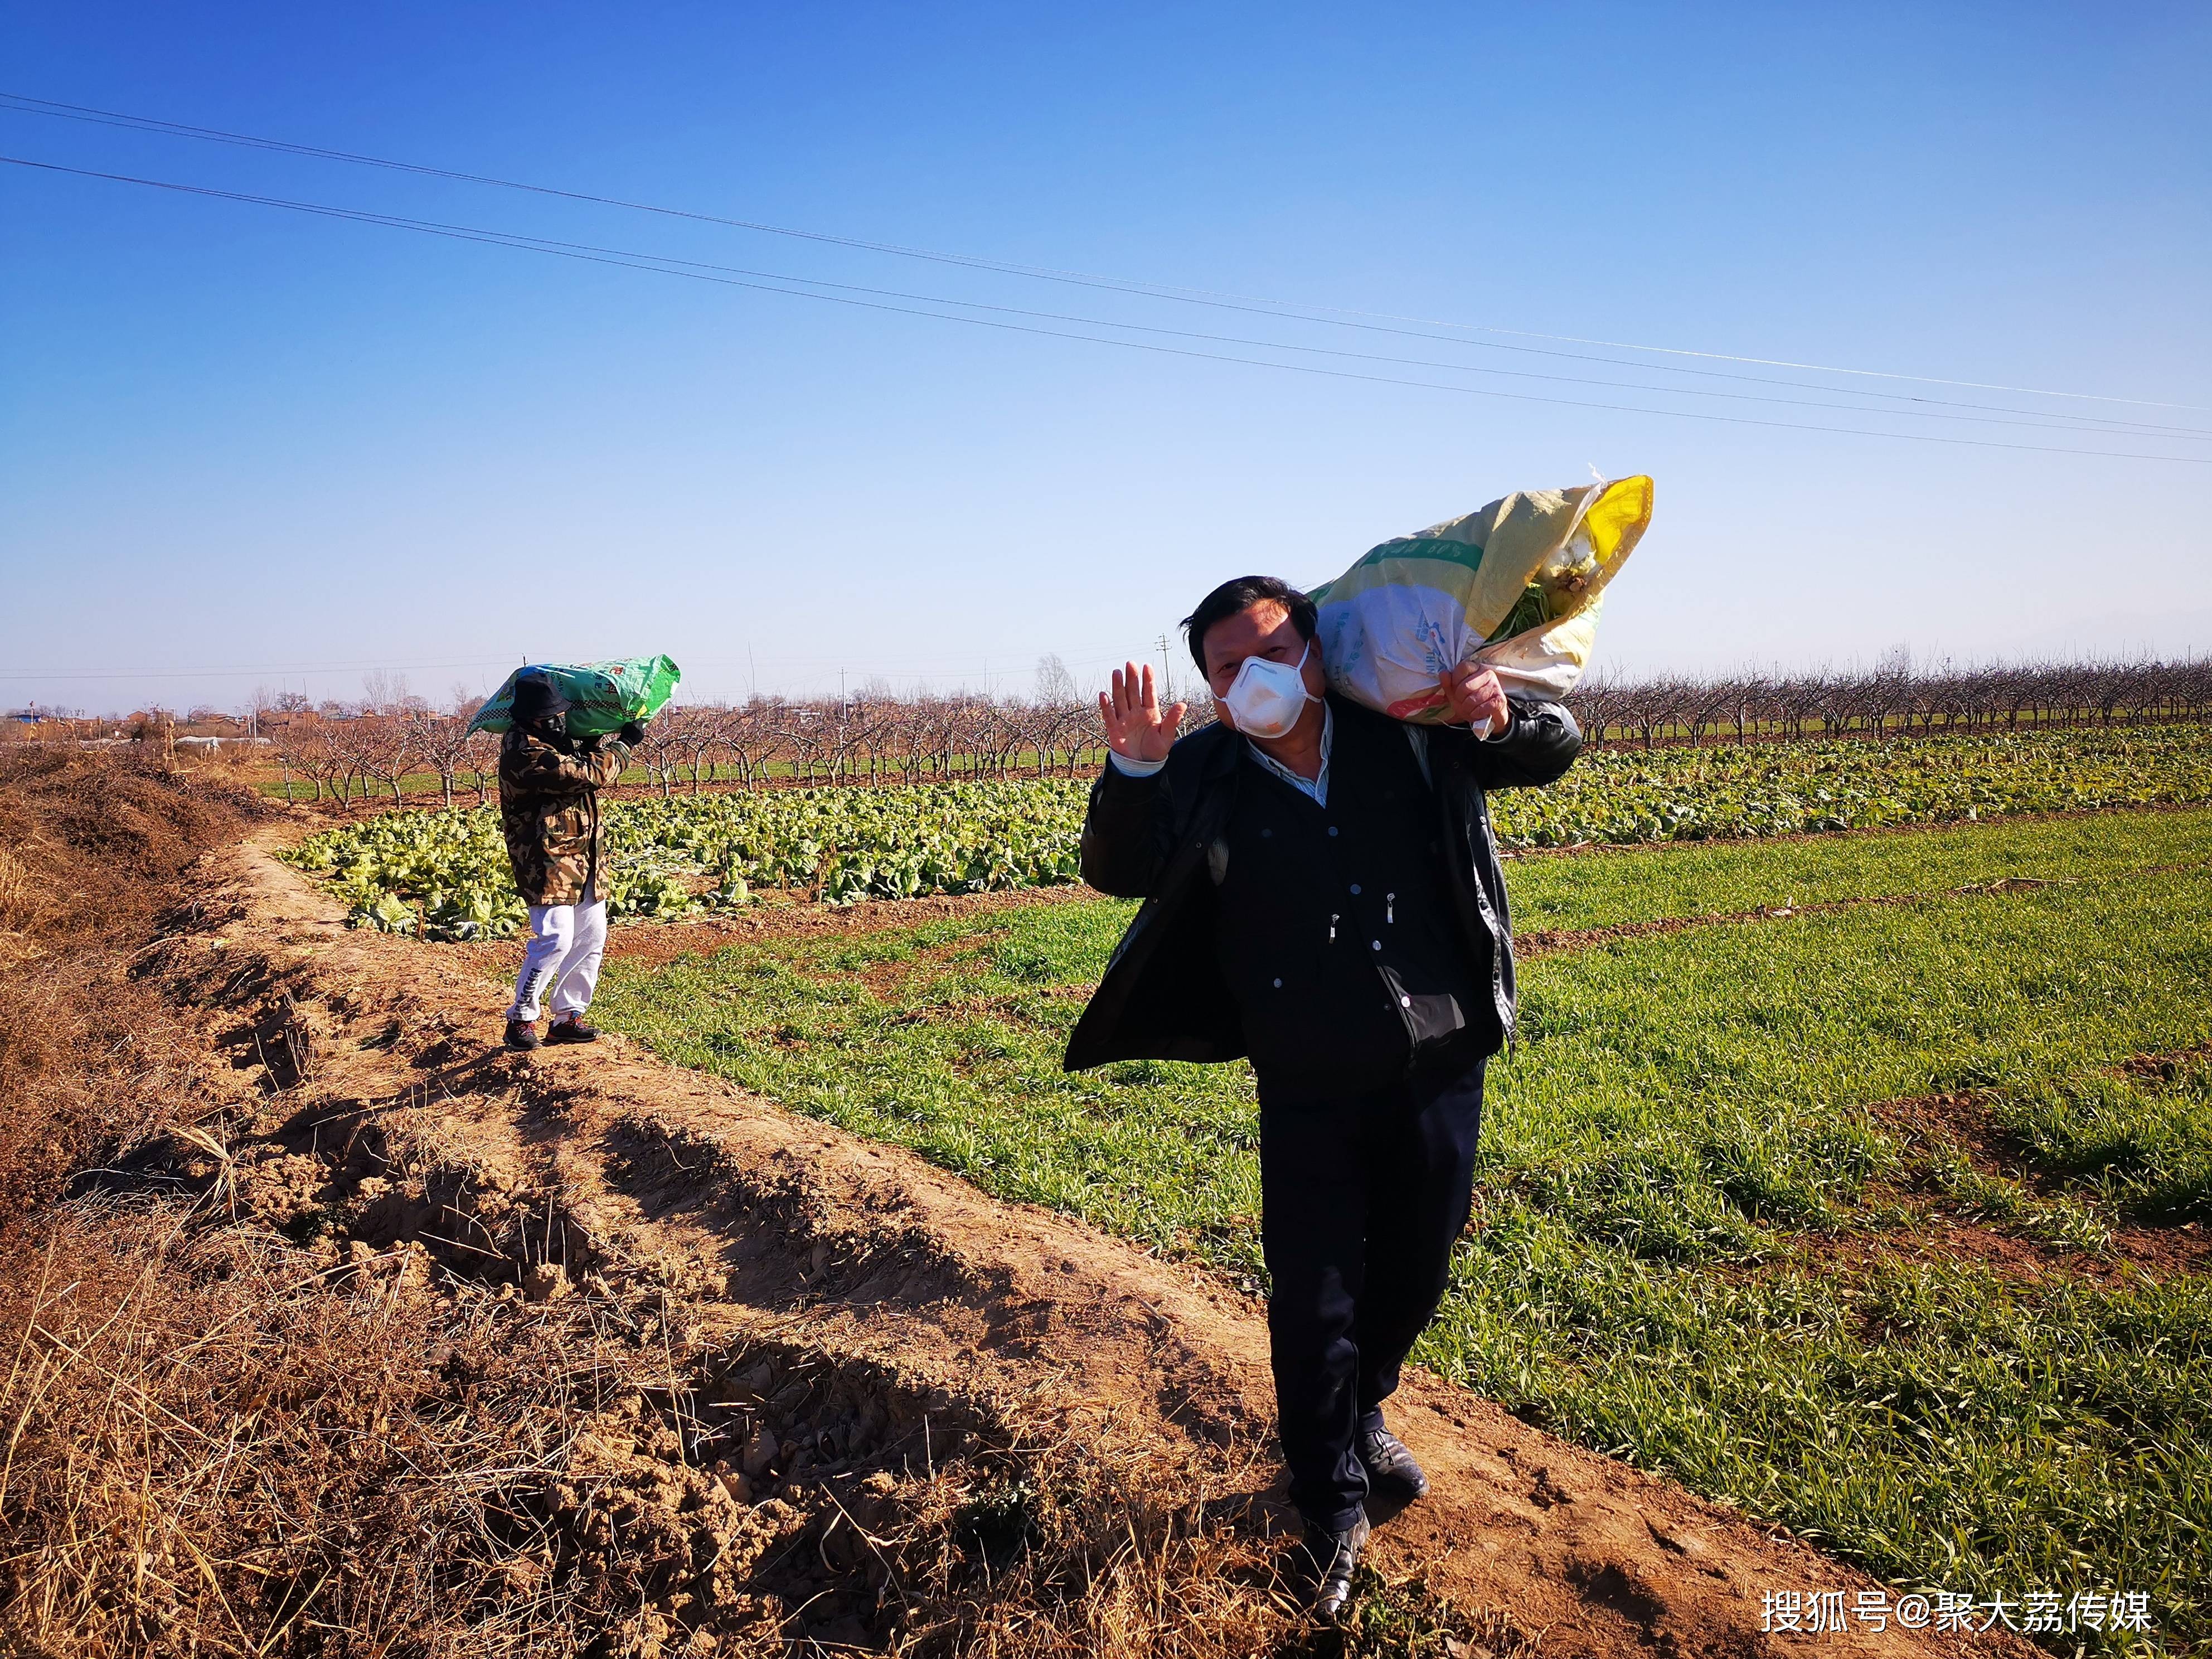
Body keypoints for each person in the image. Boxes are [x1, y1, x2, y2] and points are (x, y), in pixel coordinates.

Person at [1064, 576, 1582, 1619]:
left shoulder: (1405, 724)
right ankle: (1330, 1501)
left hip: (1437, 1052)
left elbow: (1551, 747)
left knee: (1415, 1268)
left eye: (1271, 652)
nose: (1254, 679)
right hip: (1304, 1069)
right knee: (1314, 1297)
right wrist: (1132, 768)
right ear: (1208, 688)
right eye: (1225, 669)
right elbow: (1114, 869)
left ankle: (1365, 1406)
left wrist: (1496, 709)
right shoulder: (1202, 768)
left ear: (1314, 646)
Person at [497, 671, 646, 1051]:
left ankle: (568, 1016)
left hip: (585, 859)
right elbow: (587, 775)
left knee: (591, 937)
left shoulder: (552, 741)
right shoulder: (524, 751)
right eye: (550, 716)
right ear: (530, 718)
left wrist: (590, 739)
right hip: (546, 862)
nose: (557, 721)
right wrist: (623, 744)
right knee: (555, 940)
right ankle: (521, 1019)